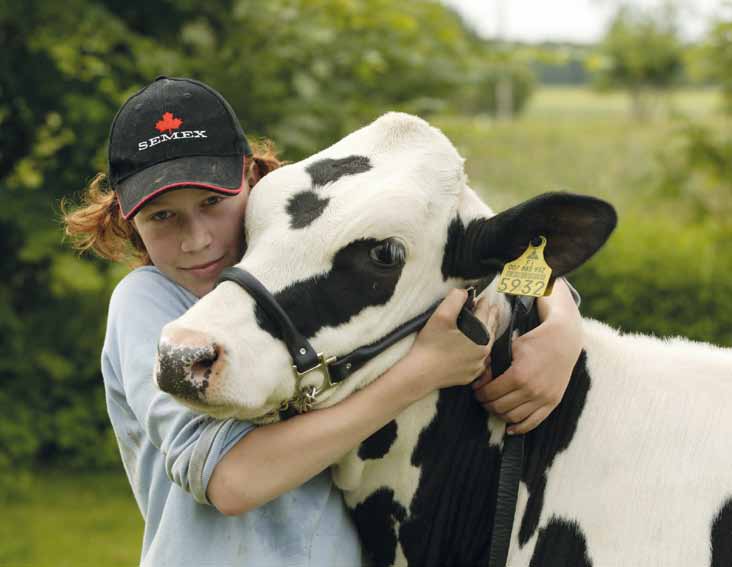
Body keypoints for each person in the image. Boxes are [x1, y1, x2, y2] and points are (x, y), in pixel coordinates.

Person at [63, 76, 583, 567]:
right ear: (125, 218)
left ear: (249, 176)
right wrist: (423, 371)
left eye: (211, 203)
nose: (197, 238)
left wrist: (561, 321)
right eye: (163, 216)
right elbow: (231, 482)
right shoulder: (148, 301)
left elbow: (460, 246)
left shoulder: (297, 262)